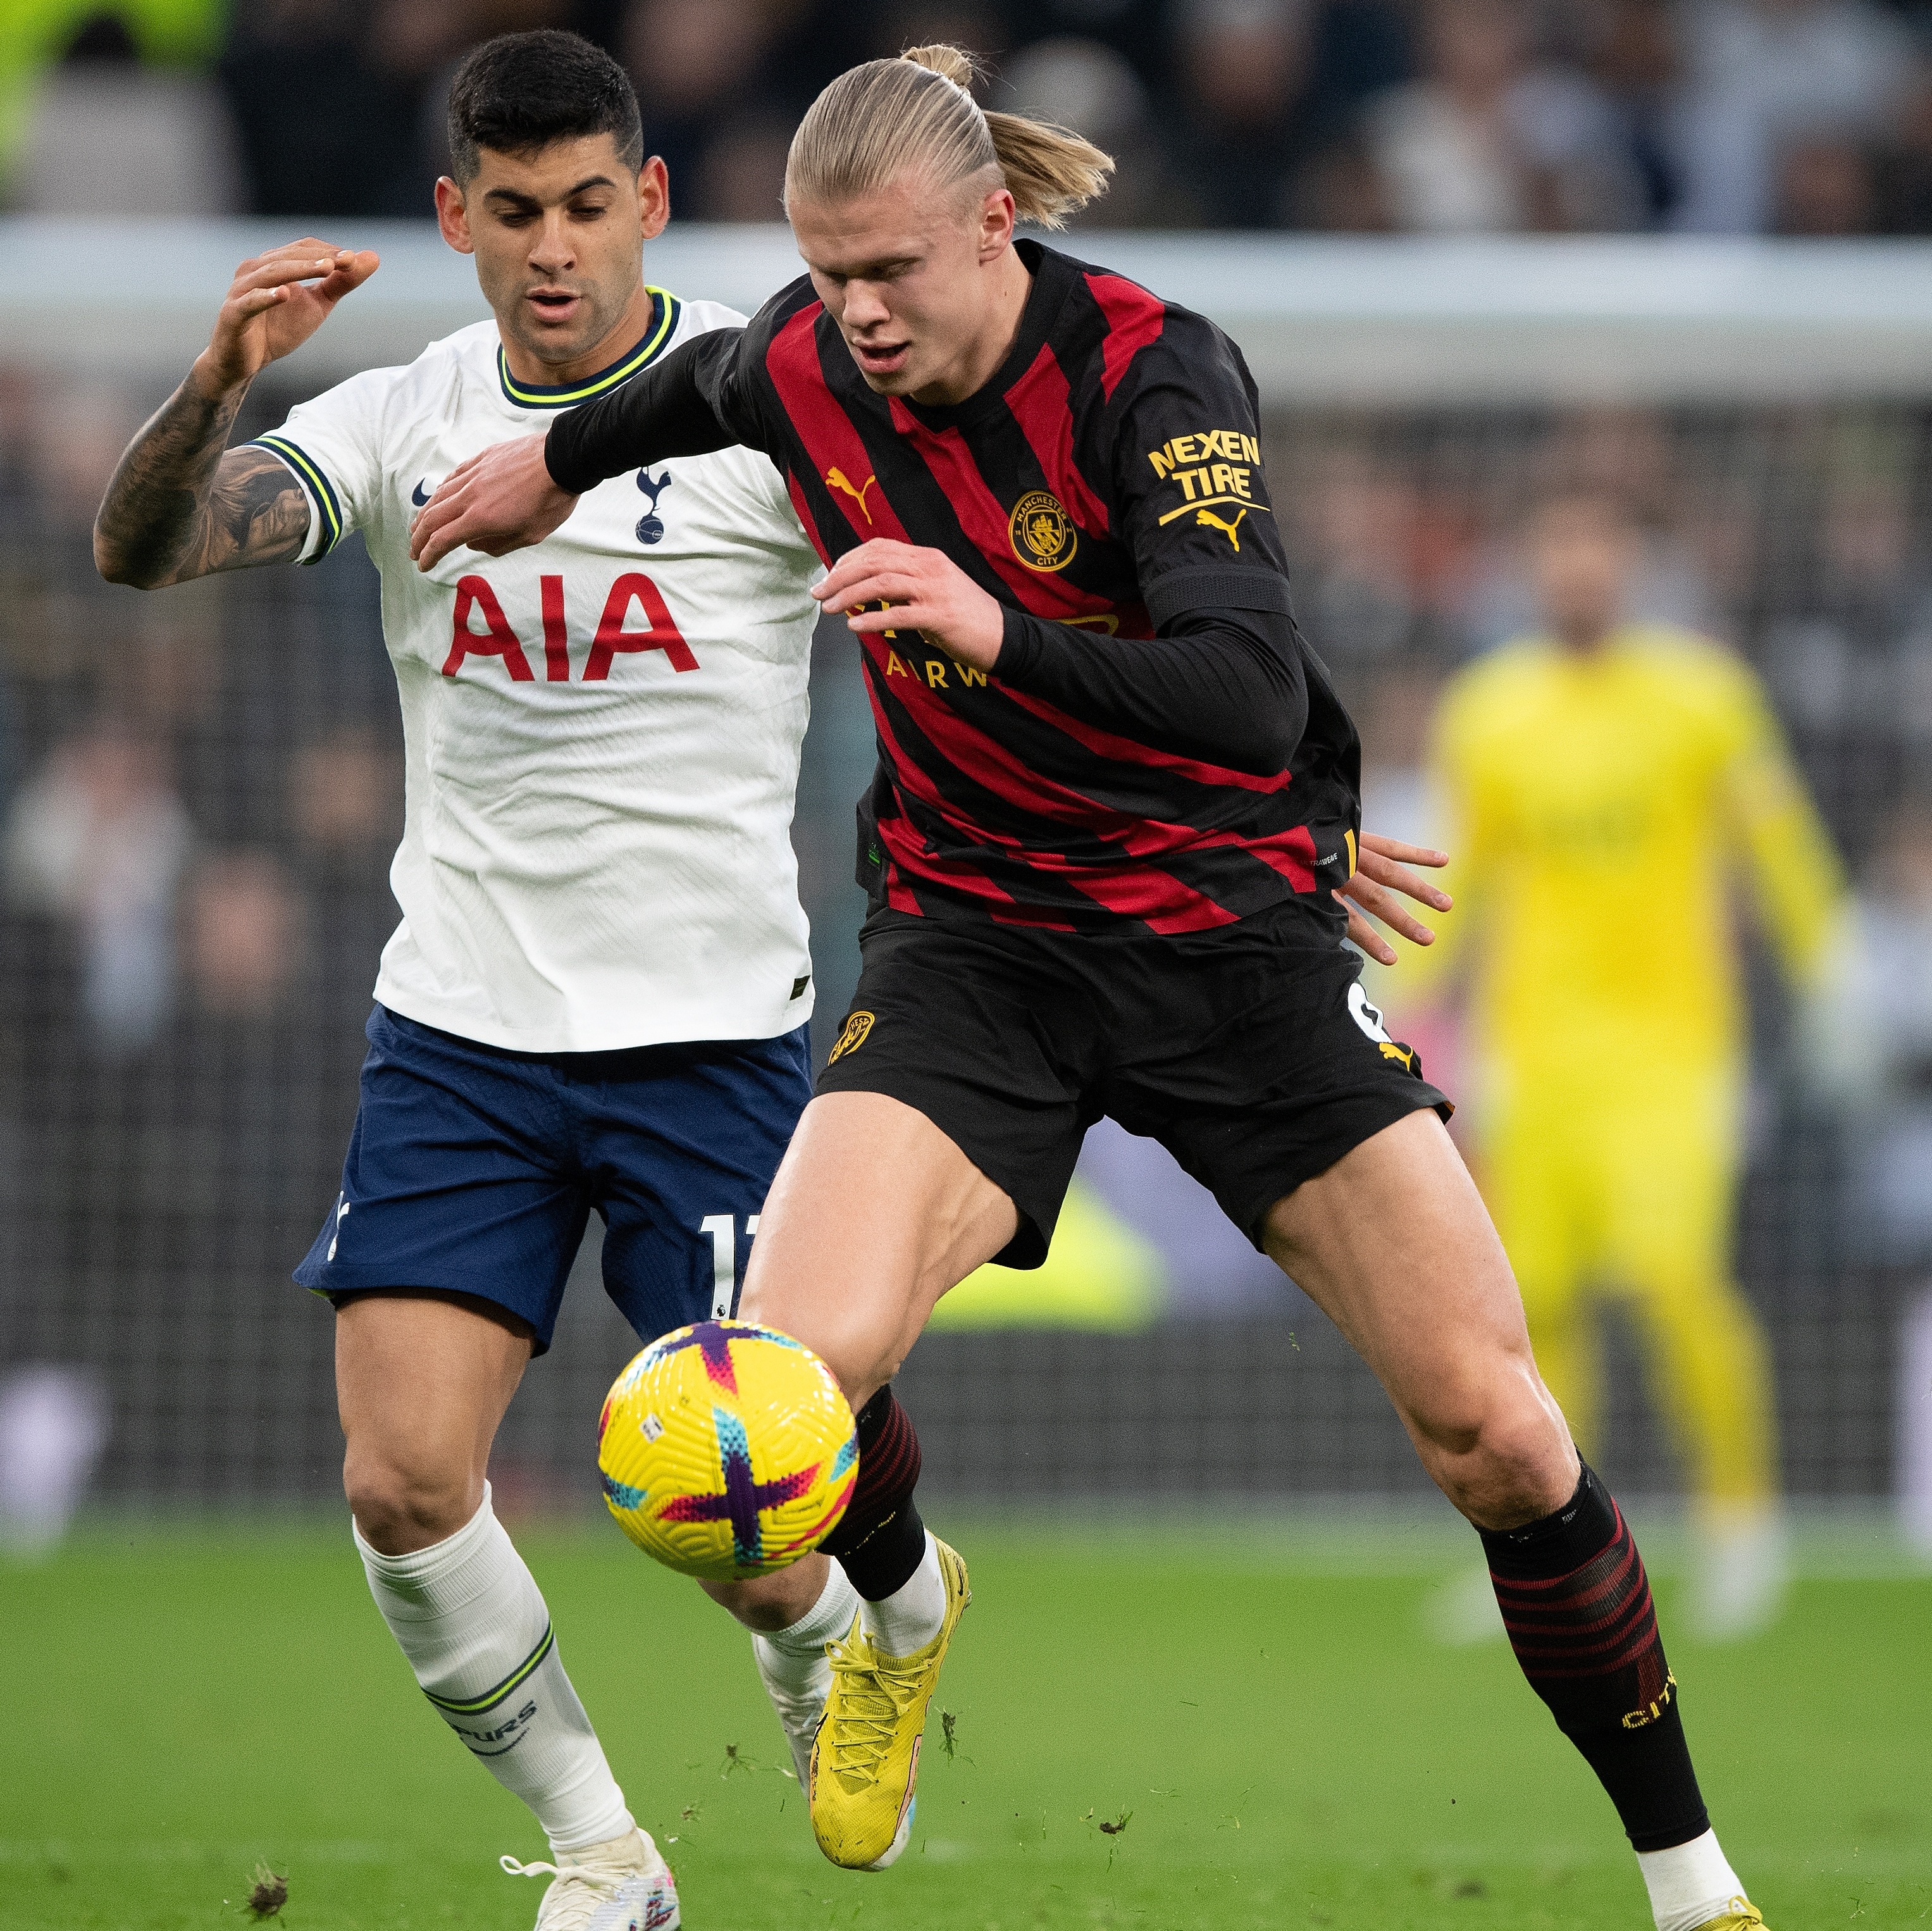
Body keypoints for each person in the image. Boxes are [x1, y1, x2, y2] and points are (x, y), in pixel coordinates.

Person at [414, 44, 1776, 1931]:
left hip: (1226, 951)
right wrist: (535, 468)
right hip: (977, 951)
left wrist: (1002, 632)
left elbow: (1241, 683)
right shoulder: (803, 353)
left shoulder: (1153, 368)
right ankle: (900, 1604)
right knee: (777, 1413)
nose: (854, 315)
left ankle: (1692, 1884)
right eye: (825, 271)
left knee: (1497, 1431)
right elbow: (697, 384)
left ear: (996, 223)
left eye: (891, 269)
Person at [88, 28, 1438, 1926]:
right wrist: (213, 386)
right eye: (512, 214)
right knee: (400, 1484)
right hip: (459, 1030)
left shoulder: (786, 405)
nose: (552, 251)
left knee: (742, 1527)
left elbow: (1080, 596)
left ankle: (861, 1622)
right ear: (453, 219)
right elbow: (148, 550)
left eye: (586, 208)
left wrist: (1284, 822)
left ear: (646, 202)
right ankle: (599, 1851)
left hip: (711, 1034)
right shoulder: (401, 418)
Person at [1417, 494, 1843, 1642]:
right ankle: (1540, 1554)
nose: (1578, 576)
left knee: (1670, 1277)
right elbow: (1466, 879)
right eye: (1557, 555)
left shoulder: (1702, 697)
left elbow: (1776, 840)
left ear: (1632, 570)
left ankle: (1743, 1526)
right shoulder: (1490, 711)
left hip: (1671, 1050)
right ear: (1532, 577)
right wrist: (1403, 1004)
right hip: (1533, 1053)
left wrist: (1830, 974)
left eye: (1597, 555)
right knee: (1532, 1308)